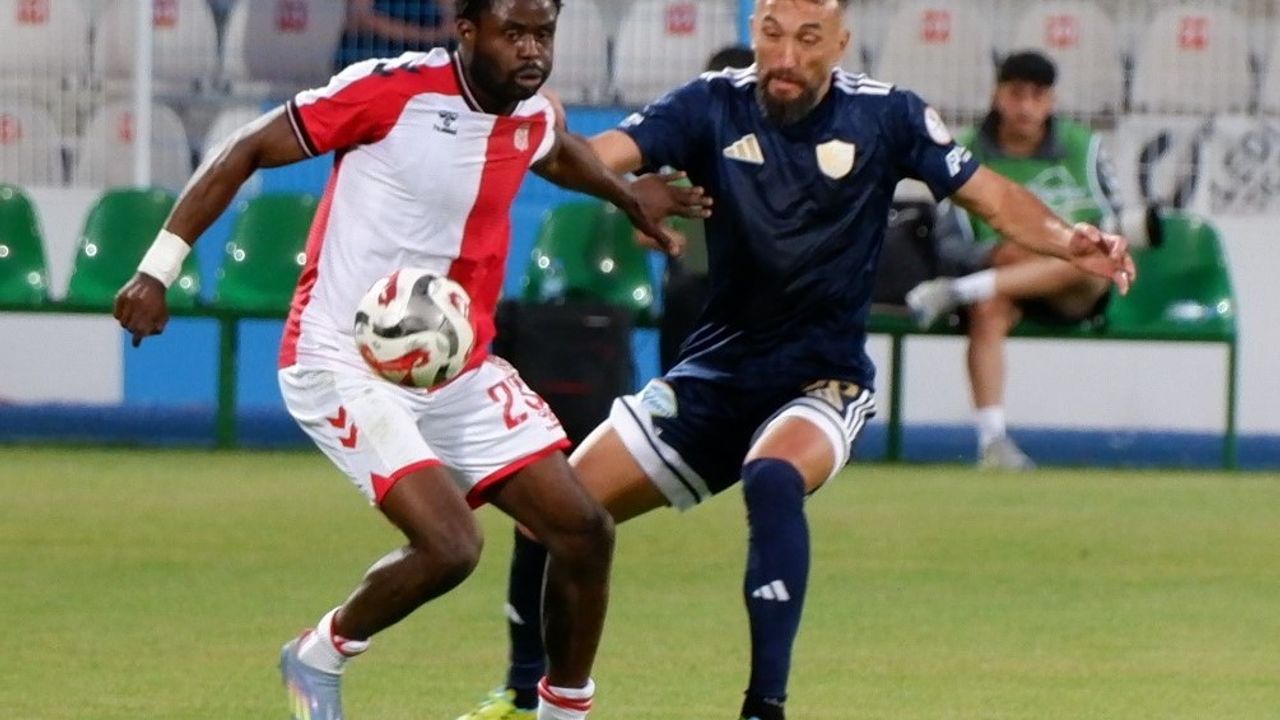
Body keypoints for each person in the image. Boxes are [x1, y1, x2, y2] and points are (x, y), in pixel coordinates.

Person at [456, 3, 1136, 720]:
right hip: (715, 376)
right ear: (755, 33)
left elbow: (991, 195)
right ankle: (523, 693)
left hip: (822, 379)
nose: (785, 55)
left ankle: (764, 708)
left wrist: (1068, 239)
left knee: (772, 477)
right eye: (772, 34)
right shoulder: (709, 104)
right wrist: (570, 149)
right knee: (552, 513)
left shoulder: (888, 116)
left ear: (840, 44)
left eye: (808, 39)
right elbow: (593, 155)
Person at [113, 1, 711, 718]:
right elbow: (245, 148)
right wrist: (157, 270)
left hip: (457, 368)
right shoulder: (388, 91)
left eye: (543, 34)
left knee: (583, 530)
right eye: (513, 34)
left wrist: (625, 194)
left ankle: (562, 711)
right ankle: (319, 653)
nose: (532, 50)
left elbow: (554, 148)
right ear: (467, 31)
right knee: (451, 547)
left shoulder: (527, 112)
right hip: (340, 358)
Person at [905, 51, 1133, 470]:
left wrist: (1058, 246)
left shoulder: (1086, 149)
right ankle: (992, 443)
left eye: (1037, 96)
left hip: (1075, 288)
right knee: (988, 309)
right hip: (1001, 276)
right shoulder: (963, 151)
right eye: (1016, 94)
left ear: (1051, 101)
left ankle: (957, 292)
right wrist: (994, 253)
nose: (1026, 107)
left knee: (1087, 261)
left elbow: (1115, 226)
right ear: (998, 96)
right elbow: (948, 243)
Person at [657, 44, 754, 372]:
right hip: (690, 292)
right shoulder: (680, 150)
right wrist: (670, 237)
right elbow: (643, 233)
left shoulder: (774, 153)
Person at [336, 0, 457, 69]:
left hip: (421, 62)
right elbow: (360, 18)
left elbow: (453, 19)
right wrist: (429, 35)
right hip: (371, 58)